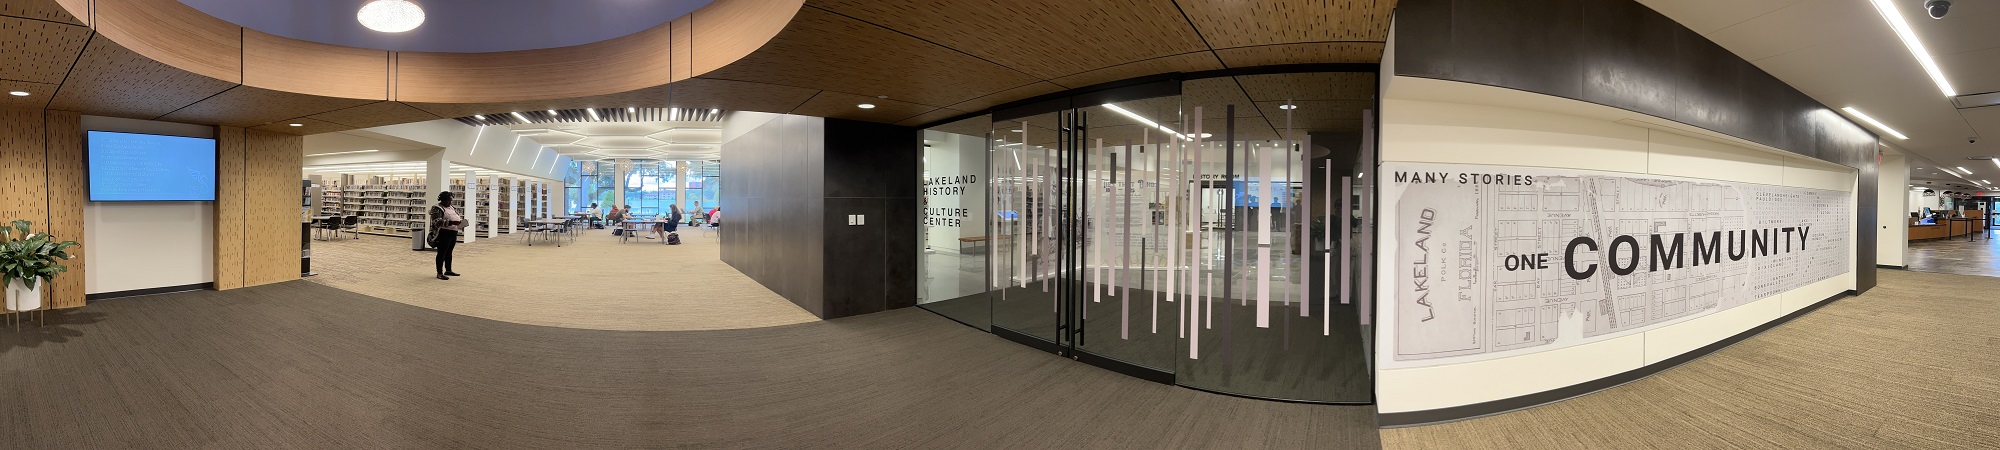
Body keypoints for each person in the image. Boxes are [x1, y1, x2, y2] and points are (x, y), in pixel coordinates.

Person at [429, 191, 465, 280]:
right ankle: (439, 273)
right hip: (443, 233)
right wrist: (451, 222)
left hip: (453, 232)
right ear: (443, 200)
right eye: (448, 201)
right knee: (441, 253)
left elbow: (456, 216)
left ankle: (448, 270)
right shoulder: (437, 208)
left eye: (451, 200)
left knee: (449, 252)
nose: (450, 202)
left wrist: (461, 222)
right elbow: (436, 221)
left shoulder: (452, 207)